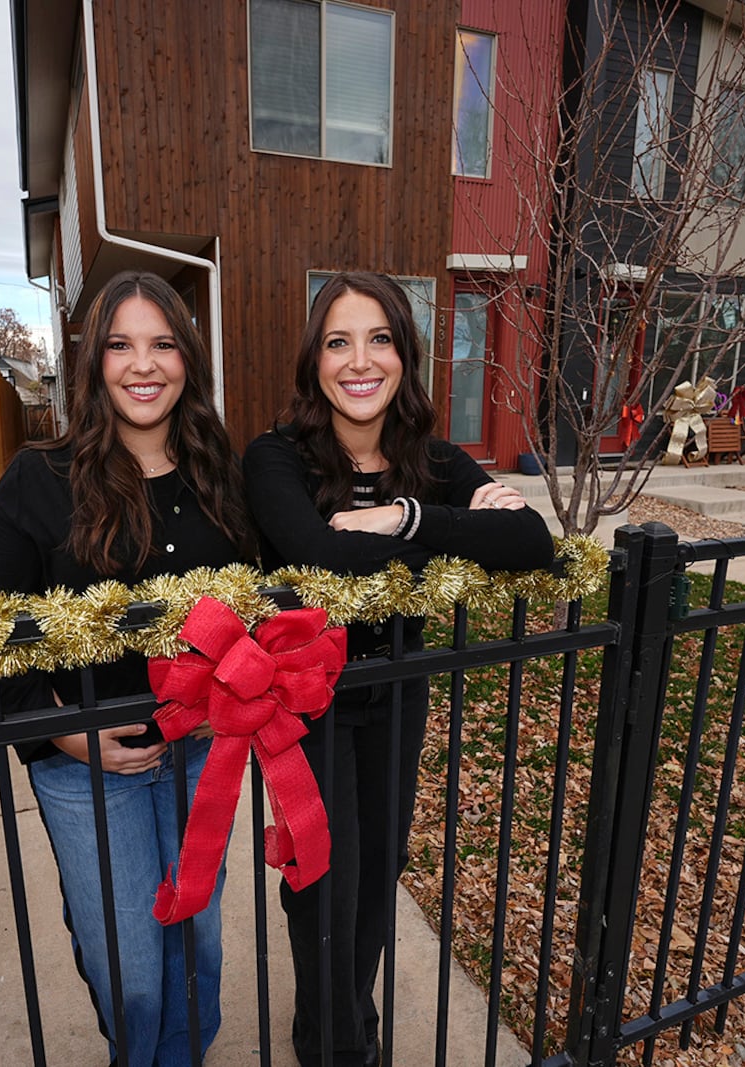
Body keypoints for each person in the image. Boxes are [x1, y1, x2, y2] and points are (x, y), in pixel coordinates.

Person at [243, 272, 555, 1067]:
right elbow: (319, 554)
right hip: (306, 702)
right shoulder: (276, 458)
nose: (360, 360)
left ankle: (346, 1024)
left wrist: (405, 514)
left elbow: (531, 544)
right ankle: (336, 1045)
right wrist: (451, 531)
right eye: (339, 341)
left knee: (377, 876)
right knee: (324, 881)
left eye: (379, 338)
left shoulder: (433, 460)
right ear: (316, 359)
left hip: (397, 686)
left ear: (404, 356)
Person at [0, 270, 252, 1066]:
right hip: (85, 770)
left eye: (163, 343)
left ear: (188, 360)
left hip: (201, 751)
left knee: (197, 934)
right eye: (121, 345)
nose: (144, 364)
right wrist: (68, 733)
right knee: (128, 959)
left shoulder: (219, 477)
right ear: (94, 361)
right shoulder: (38, 481)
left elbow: (263, 597)